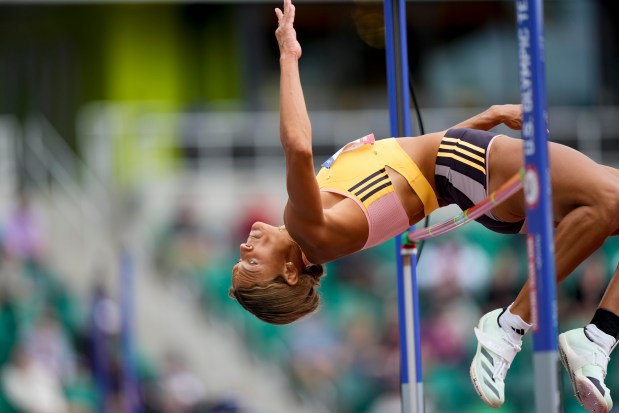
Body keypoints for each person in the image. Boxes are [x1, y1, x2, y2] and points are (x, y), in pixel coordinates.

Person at [228, 1, 619, 412]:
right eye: (252, 265)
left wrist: (484, 119)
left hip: (466, 182)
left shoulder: (322, 227)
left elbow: (415, 172)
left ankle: (599, 337)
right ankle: (509, 324)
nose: (244, 249)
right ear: (290, 272)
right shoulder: (306, 228)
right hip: (463, 169)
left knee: (611, 207)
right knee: (608, 200)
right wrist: (288, 56)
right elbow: (297, 146)